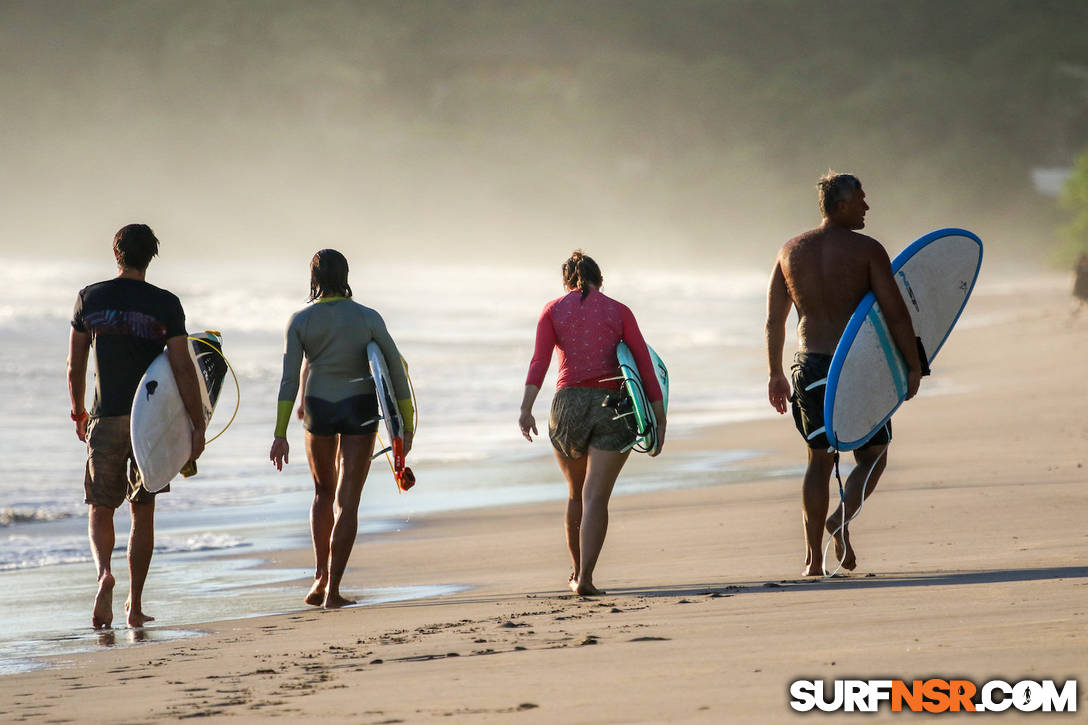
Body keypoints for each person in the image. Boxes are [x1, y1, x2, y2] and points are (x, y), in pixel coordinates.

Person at [765, 173, 922, 576]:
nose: (867, 207)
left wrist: (775, 374)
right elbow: (896, 313)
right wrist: (912, 365)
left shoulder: (789, 251)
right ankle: (840, 519)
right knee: (873, 454)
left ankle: (813, 559)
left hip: (809, 364)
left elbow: (773, 323)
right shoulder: (867, 250)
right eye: (860, 200)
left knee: (819, 459)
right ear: (840, 205)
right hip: (854, 364)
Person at [67, 223, 207, 628]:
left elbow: (75, 364)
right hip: (151, 422)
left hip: (106, 415)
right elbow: (181, 367)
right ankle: (135, 605)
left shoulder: (89, 298)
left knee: (100, 507)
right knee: (142, 510)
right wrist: (196, 423)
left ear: (116, 252)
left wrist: (78, 410)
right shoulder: (166, 304)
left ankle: (103, 574)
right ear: (151, 257)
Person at [269, 249, 414, 609]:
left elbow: (288, 380)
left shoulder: (300, 320)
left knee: (322, 493)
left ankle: (319, 576)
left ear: (313, 279)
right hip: (359, 409)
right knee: (347, 504)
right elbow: (394, 369)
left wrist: (280, 433)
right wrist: (405, 426)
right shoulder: (367, 317)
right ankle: (333, 590)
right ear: (346, 275)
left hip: (317, 408)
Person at [519, 250, 666, 596]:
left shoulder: (553, 310)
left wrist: (526, 408)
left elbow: (540, 361)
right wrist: (659, 415)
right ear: (600, 279)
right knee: (595, 498)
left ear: (567, 282)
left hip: (567, 405)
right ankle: (585, 578)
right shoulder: (618, 311)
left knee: (575, 495)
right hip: (611, 404)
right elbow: (643, 364)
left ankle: (575, 571)